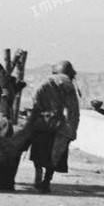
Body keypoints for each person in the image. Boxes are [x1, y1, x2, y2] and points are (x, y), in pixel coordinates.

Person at [26, 61, 80, 192]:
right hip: (59, 124)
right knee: (54, 155)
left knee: (38, 153)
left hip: (41, 122)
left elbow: (34, 101)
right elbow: (72, 109)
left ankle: (38, 176)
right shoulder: (68, 84)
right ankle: (46, 180)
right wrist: (71, 129)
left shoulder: (45, 82)